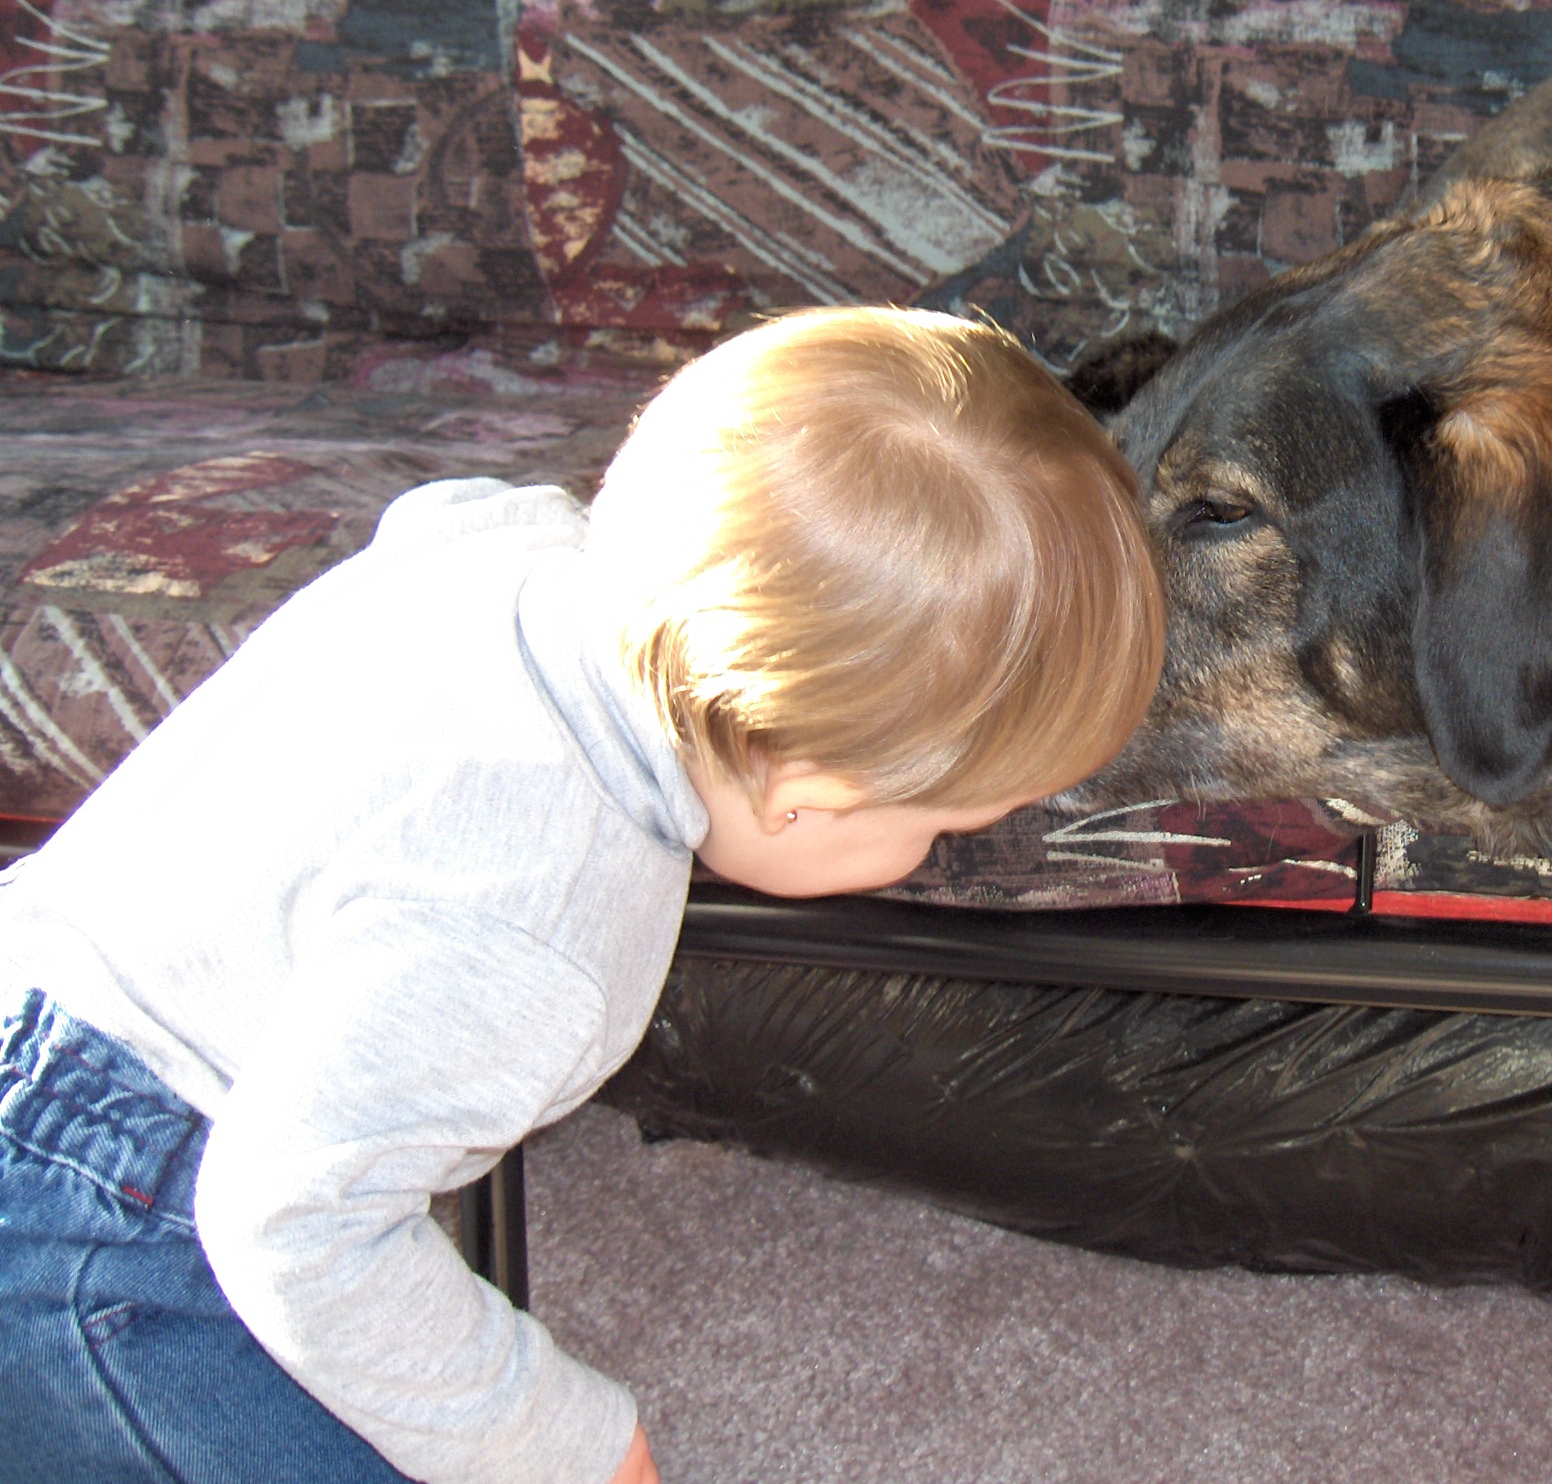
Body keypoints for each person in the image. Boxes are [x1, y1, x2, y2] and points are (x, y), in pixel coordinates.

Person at [0, 307, 1167, 1484]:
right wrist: (565, 1440)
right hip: (107, 1213)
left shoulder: (502, 536)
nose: (929, 855)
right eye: (942, 826)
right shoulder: (539, 920)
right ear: (801, 791)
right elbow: (301, 1224)